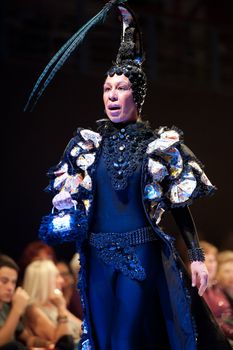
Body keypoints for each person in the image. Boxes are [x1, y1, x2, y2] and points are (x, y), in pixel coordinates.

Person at [24, 1, 232, 349]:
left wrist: (195, 255)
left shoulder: (158, 146)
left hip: (141, 250)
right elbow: (69, 208)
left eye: (120, 88)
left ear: (137, 95)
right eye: (107, 89)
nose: (112, 95)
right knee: (104, 338)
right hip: (96, 254)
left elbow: (177, 202)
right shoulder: (87, 145)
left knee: (125, 338)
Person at [22, 259, 82, 347]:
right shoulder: (32, 309)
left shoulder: (54, 304)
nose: (62, 281)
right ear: (44, 281)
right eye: (57, 276)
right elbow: (61, 341)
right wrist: (61, 308)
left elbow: (83, 328)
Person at [0, 254, 52, 350]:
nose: (10, 288)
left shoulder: (6, 308)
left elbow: (28, 339)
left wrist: (48, 344)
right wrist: (16, 309)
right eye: (4, 281)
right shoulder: (14, 309)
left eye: (13, 282)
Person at [200, 242, 233, 343]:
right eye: (227, 271)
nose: (232, 275)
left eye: (213, 261)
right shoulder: (200, 289)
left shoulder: (218, 289)